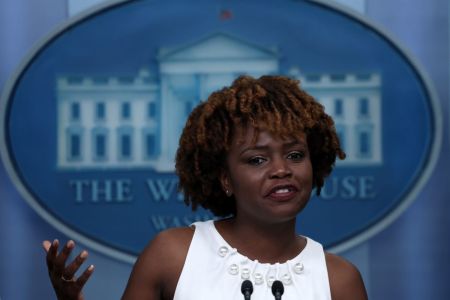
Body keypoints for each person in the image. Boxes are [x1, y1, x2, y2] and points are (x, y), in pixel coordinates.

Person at [43, 75, 368, 299]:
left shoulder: (340, 280)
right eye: (257, 160)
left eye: (295, 155)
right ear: (225, 179)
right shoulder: (172, 254)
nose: (281, 169)